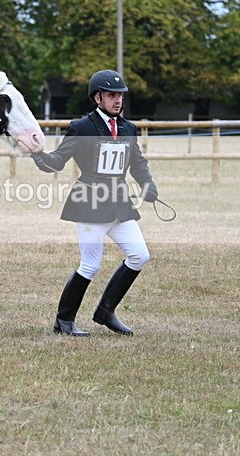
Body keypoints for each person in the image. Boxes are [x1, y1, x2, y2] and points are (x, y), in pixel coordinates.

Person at [32, 69, 158, 336]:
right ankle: (63, 321)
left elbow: (137, 163)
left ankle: (105, 311)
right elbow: (57, 160)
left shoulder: (128, 128)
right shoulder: (82, 127)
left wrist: (148, 184)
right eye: (112, 95)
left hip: (119, 204)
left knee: (139, 255)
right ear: (97, 98)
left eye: (120, 95)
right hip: (89, 203)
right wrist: (38, 155)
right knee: (90, 264)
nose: (118, 100)